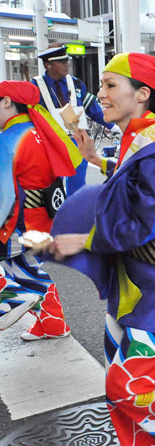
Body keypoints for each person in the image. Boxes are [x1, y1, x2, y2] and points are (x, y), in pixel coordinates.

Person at [48, 52, 155, 446]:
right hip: (133, 280)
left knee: (129, 383)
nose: (100, 94)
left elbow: (144, 223)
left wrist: (85, 240)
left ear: (142, 94)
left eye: (111, 85)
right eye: (101, 85)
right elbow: (135, 183)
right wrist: (96, 159)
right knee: (120, 374)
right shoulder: (141, 137)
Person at [0, 81, 79, 340]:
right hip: (42, 218)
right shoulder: (42, 132)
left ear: (6, 102)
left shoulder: (7, 139)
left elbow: (4, 195)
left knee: (23, 274)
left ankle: (12, 299)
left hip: (15, 222)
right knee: (29, 270)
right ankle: (53, 325)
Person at [33, 46, 113, 194]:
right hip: (51, 143)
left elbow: (92, 108)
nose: (67, 64)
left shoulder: (76, 84)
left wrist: (112, 126)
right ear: (48, 64)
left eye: (67, 60)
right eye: (61, 62)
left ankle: (75, 207)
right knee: (52, 184)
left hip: (77, 140)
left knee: (77, 184)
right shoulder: (35, 87)